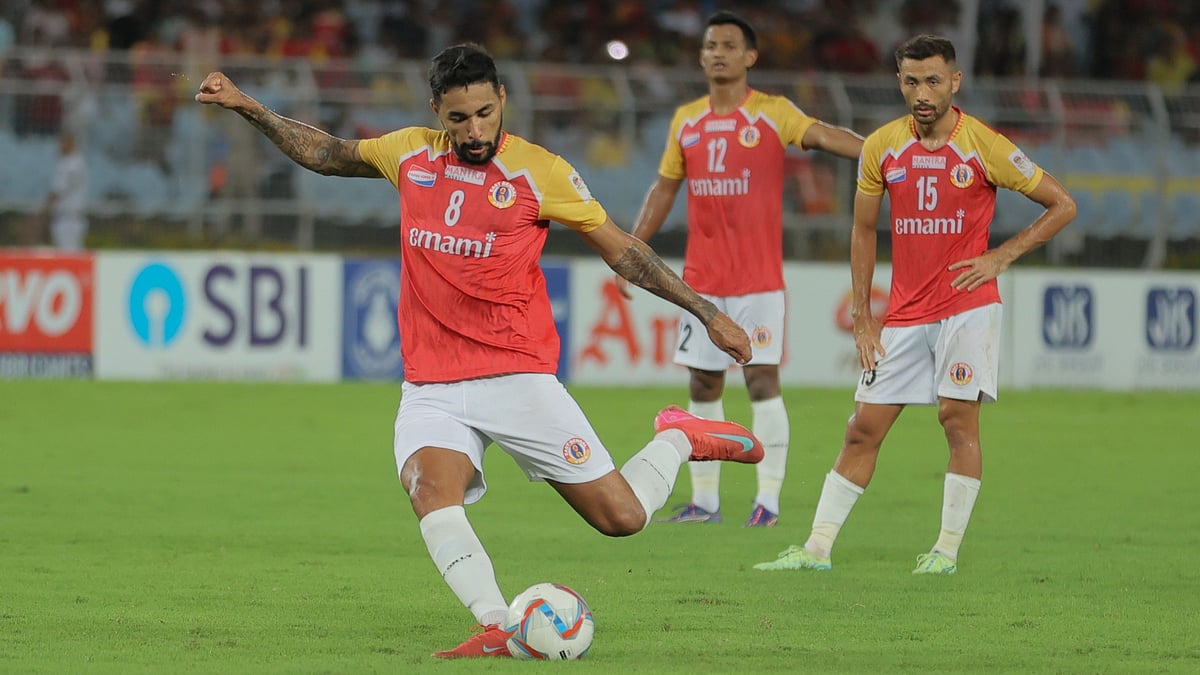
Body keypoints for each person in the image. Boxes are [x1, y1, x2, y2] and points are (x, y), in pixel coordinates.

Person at [195, 43, 765, 659]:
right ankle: (500, 622)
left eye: (486, 114)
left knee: (621, 519)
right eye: (459, 118)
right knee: (428, 493)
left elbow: (622, 249)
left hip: (516, 376)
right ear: (437, 110)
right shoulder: (409, 152)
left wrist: (707, 312)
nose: (475, 131)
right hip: (432, 384)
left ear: (503, 102)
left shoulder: (538, 171)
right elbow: (328, 155)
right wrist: (246, 105)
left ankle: (678, 435)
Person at [753, 34, 1077, 575]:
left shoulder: (984, 145)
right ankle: (815, 550)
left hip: (967, 307)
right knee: (863, 427)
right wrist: (862, 316)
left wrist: (1001, 256)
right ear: (899, 81)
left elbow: (1061, 204)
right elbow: (862, 229)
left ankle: (945, 553)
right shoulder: (881, 146)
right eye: (910, 81)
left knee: (956, 419)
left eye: (932, 80)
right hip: (903, 315)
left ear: (955, 81)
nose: (921, 92)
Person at [619, 11, 864, 528]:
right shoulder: (686, 120)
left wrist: (884, 154)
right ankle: (705, 501)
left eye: (729, 45)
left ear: (750, 56)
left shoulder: (772, 113)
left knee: (761, 382)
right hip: (700, 284)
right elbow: (665, 188)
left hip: (758, 282)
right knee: (704, 387)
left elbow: (822, 136)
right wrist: (632, 250)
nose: (717, 52)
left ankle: (768, 502)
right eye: (710, 45)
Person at [42, 131, 89, 251]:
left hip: (68, 219)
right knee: (72, 255)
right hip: (72, 218)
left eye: (62, 142)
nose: (59, 146)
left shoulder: (70, 164)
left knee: (68, 255)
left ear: (70, 143)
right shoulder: (77, 162)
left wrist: (43, 212)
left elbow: (58, 191)